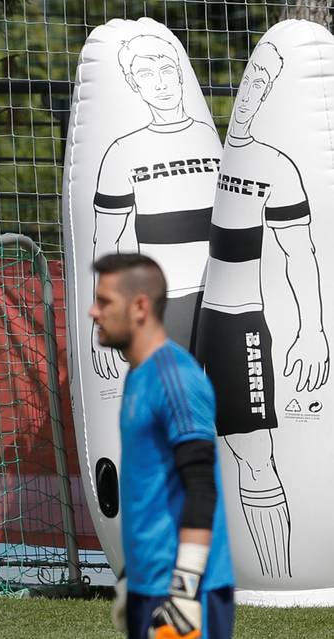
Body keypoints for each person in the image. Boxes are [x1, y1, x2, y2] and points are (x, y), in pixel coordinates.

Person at [195, 42, 327, 578]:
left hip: (241, 323)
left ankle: (279, 579)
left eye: (262, 84)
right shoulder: (224, 160)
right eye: (249, 83)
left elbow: (302, 253)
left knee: (255, 456)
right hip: (197, 317)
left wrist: (313, 330)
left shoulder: (277, 167)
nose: (252, 93)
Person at [90, 253, 234, 639]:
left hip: (187, 593)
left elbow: (202, 488)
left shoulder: (177, 379)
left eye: (104, 302)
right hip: (147, 585)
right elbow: (151, 491)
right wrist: (129, 575)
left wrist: (184, 589)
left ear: (139, 306)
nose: (93, 312)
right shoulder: (138, 376)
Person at [92, 34, 219, 379]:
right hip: (166, 301)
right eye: (147, 74)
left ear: (180, 73)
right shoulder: (121, 152)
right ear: (134, 84)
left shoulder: (212, 141)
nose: (161, 83)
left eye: (166, 69)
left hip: (224, 297)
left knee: (228, 422)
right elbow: (108, 240)